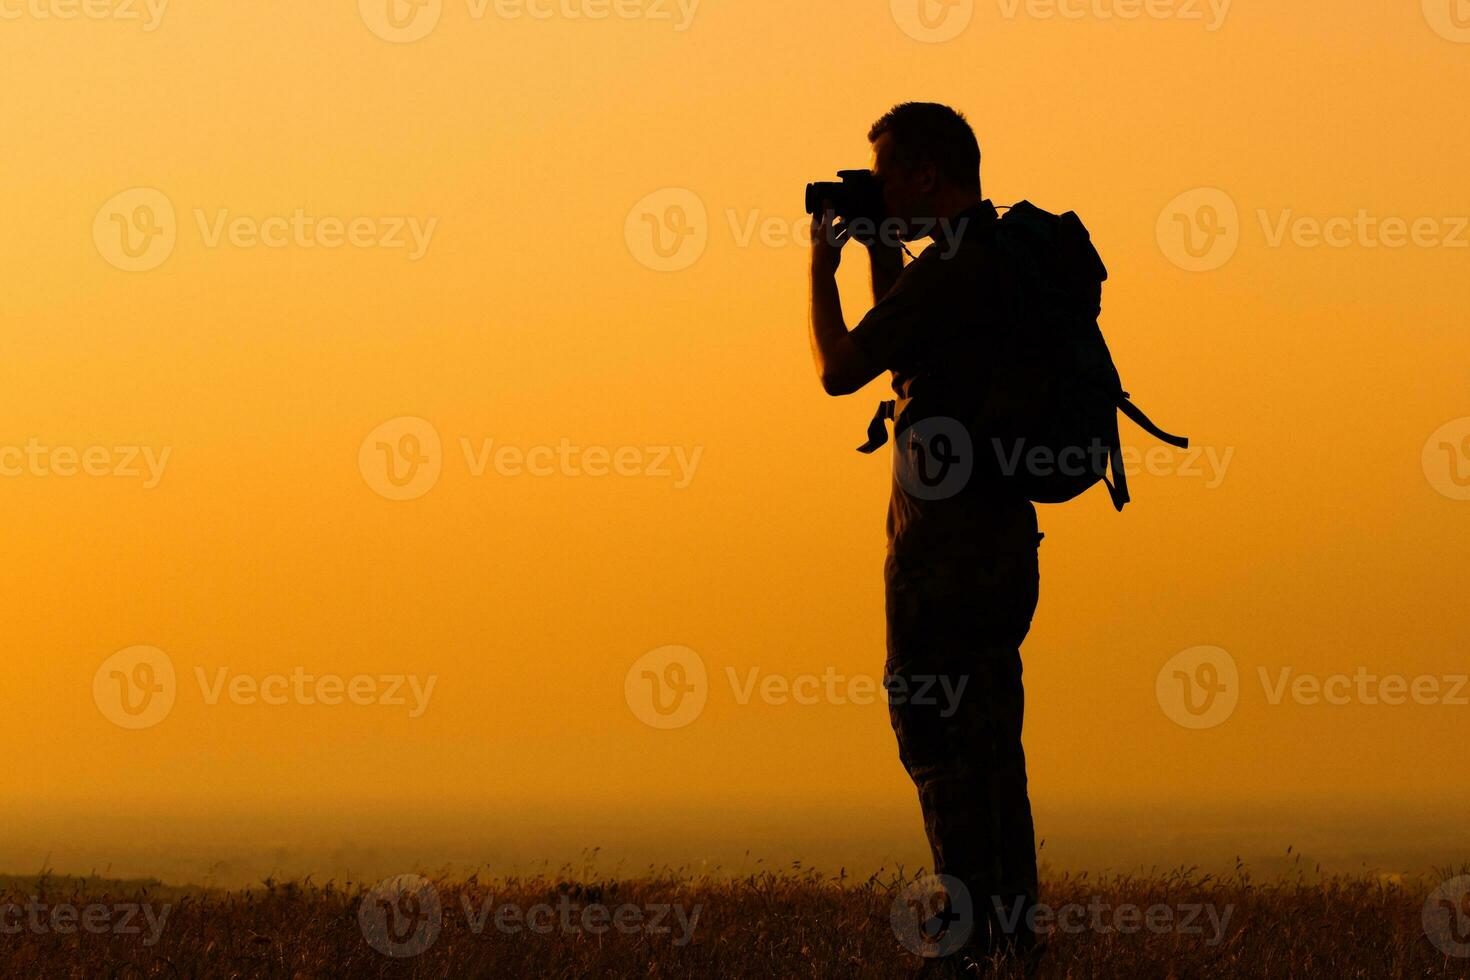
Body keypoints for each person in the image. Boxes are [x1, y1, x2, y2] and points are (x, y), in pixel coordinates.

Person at [807, 102, 1044, 966]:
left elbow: (843, 368)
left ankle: (970, 940)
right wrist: (878, 249)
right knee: (990, 748)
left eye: (884, 177)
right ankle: (1013, 939)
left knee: (939, 742)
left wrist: (820, 265)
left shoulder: (953, 270)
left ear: (925, 175)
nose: (873, 192)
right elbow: (911, 354)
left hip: (942, 557)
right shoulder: (983, 261)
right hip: (999, 546)